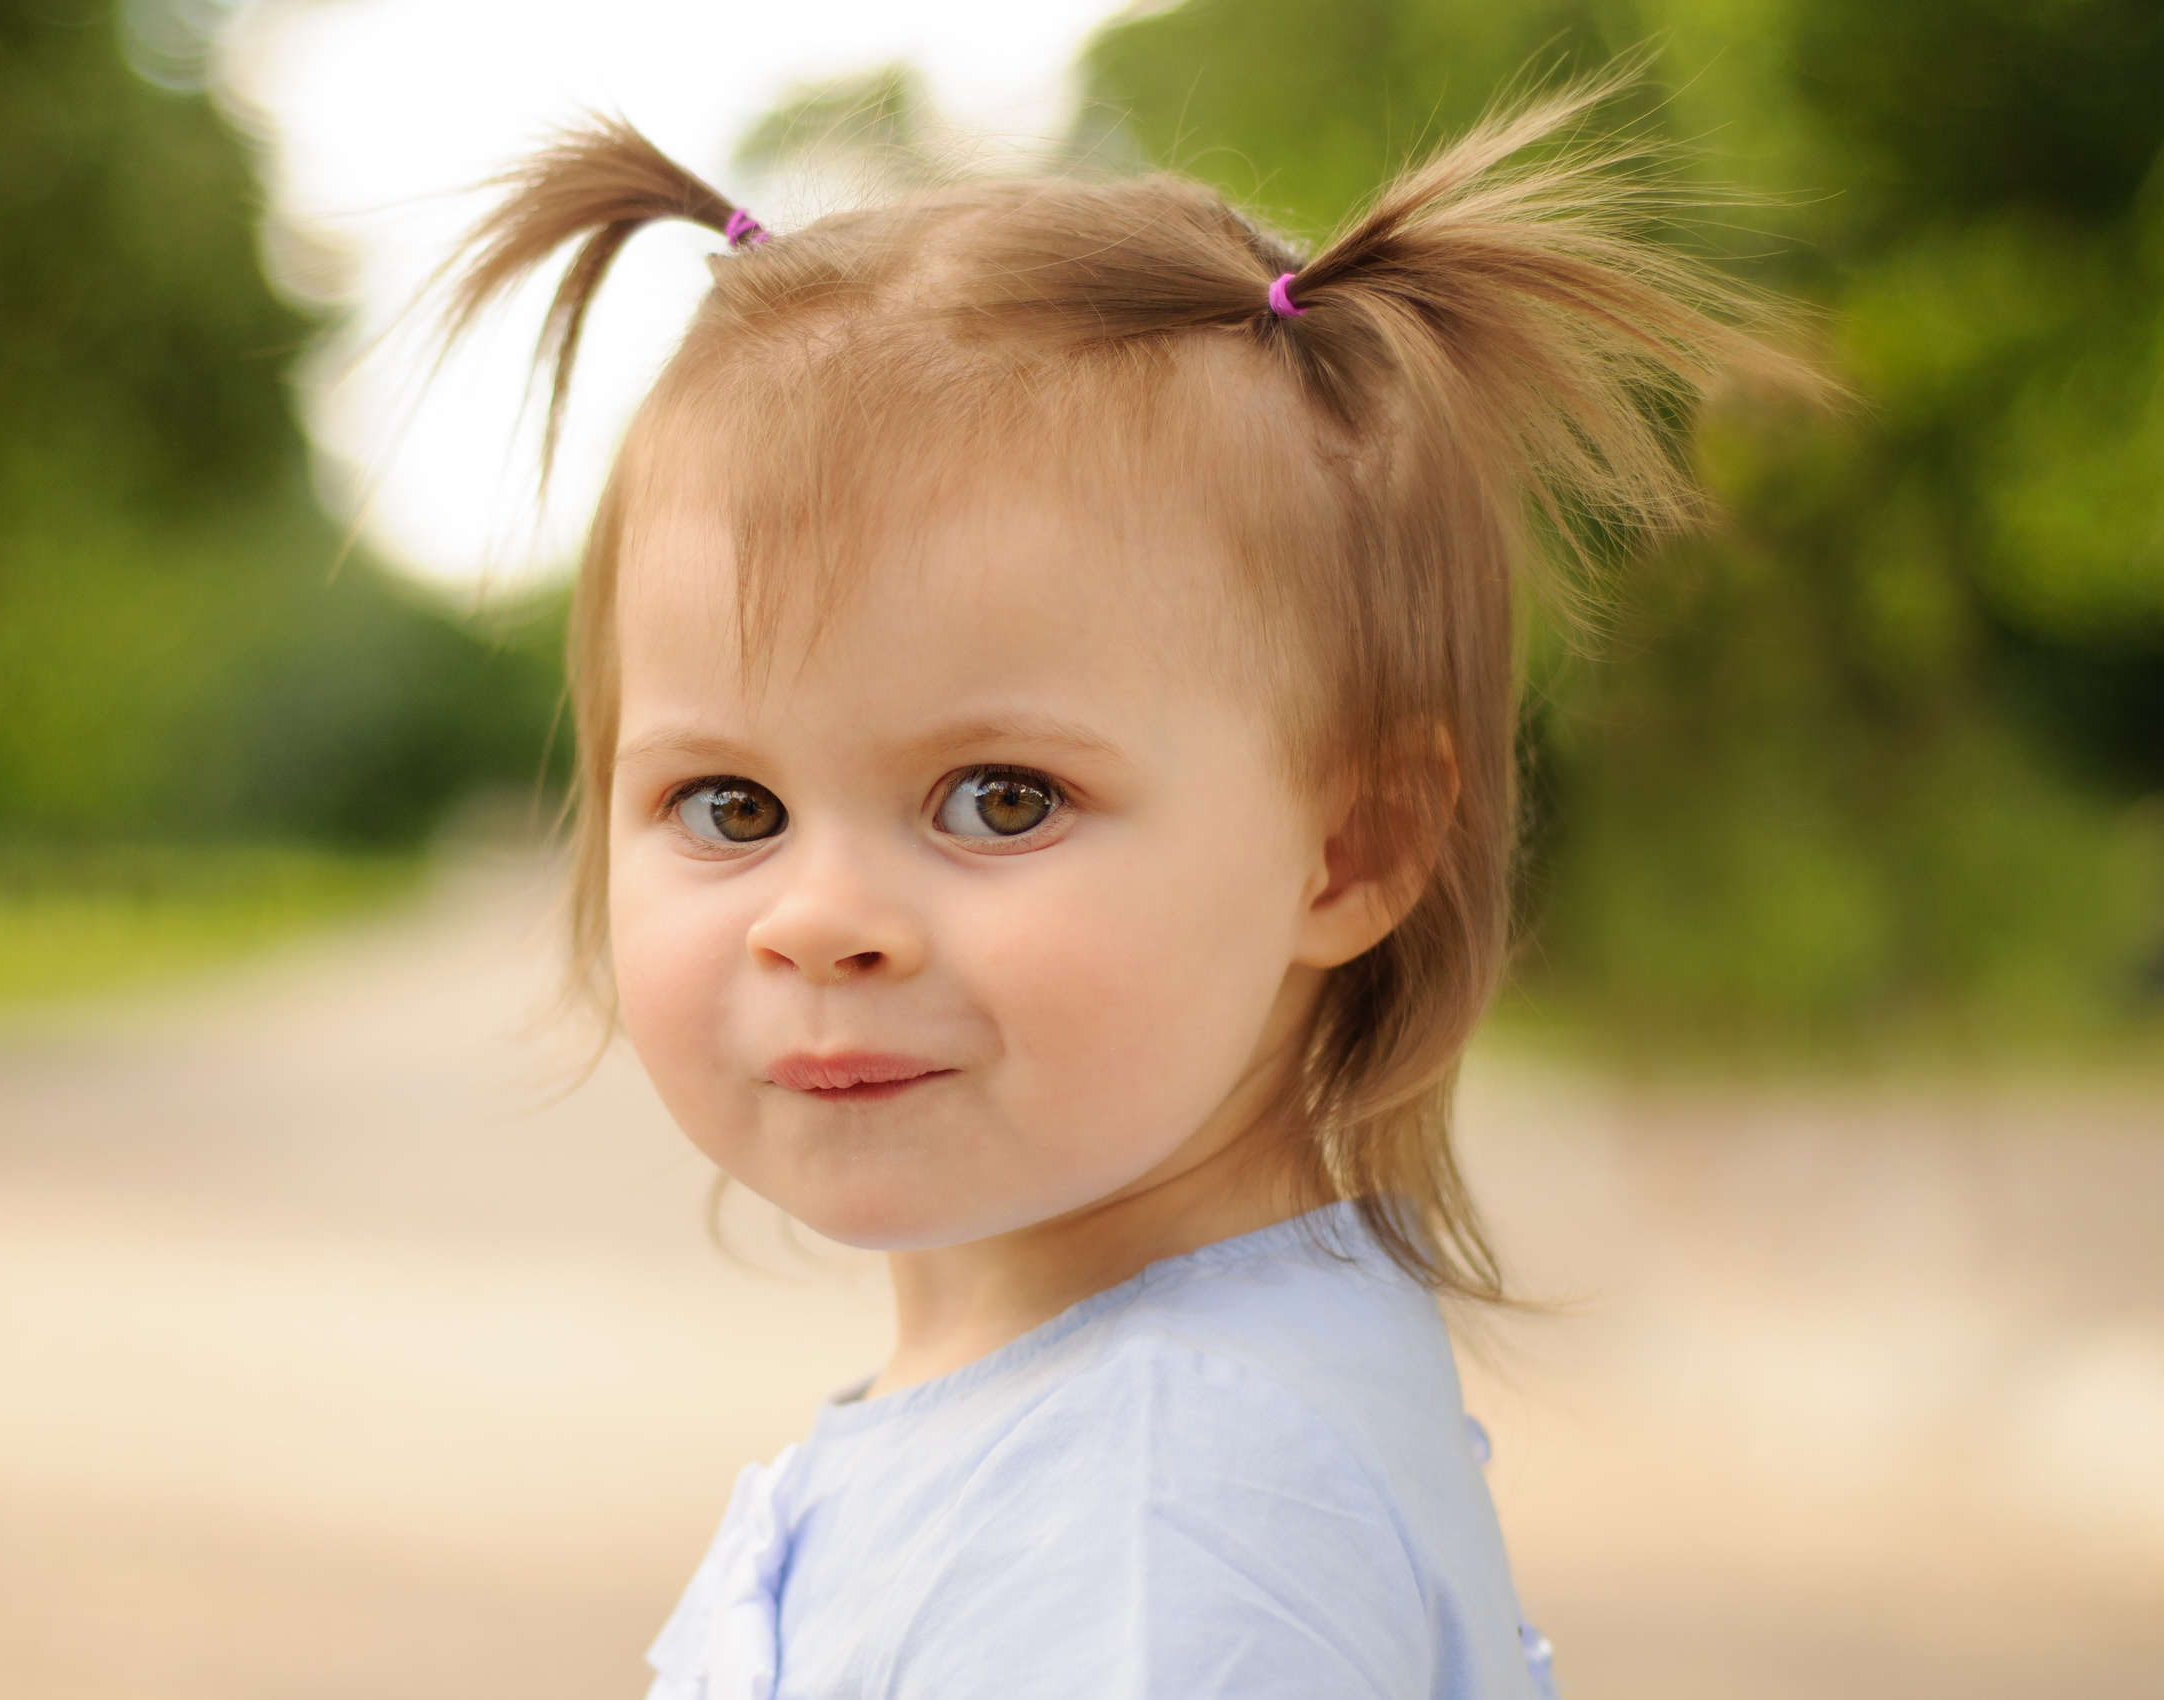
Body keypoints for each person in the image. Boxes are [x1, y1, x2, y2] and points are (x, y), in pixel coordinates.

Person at [438, 70, 1802, 1700]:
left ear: (1350, 846)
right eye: (728, 804)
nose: (819, 918)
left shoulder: (1166, 1510)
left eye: (1002, 799)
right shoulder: (1136, 1415)